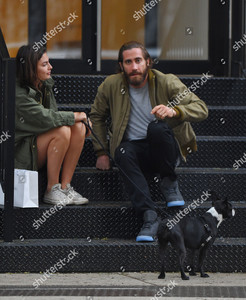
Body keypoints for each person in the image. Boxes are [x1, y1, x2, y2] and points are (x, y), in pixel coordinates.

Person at [90, 41, 208, 242]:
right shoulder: (110, 85)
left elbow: (201, 108)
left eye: (138, 61)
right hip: (134, 151)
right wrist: (101, 152)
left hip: (164, 150)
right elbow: (96, 116)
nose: (134, 67)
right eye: (128, 62)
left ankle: (169, 183)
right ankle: (149, 216)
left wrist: (175, 111)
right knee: (122, 152)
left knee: (157, 128)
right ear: (121, 66)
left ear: (148, 62)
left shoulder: (166, 81)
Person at [15, 44, 91, 206]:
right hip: (21, 155)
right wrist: (75, 115)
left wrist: (79, 120)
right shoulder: (19, 94)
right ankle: (51, 189)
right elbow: (47, 119)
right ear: (30, 68)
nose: (50, 67)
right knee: (63, 130)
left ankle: (65, 188)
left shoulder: (44, 85)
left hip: (38, 145)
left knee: (79, 127)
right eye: (44, 64)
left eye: (48, 62)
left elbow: (54, 118)